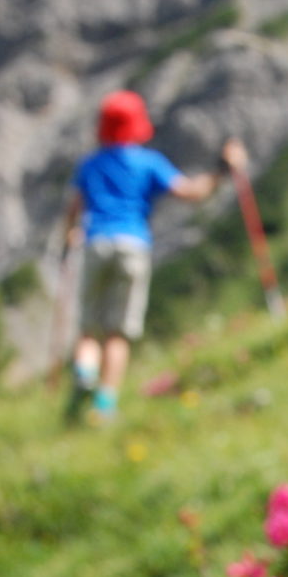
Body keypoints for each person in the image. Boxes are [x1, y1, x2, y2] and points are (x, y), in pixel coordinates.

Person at [62, 89, 246, 421]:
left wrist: (70, 234)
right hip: (133, 244)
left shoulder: (90, 164)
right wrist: (221, 169)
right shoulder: (148, 163)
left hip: (96, 243)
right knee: (118, 333)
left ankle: (84, 374)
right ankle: (105, 405)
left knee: (89, 328)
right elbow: (190, 192)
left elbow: (74, 209)